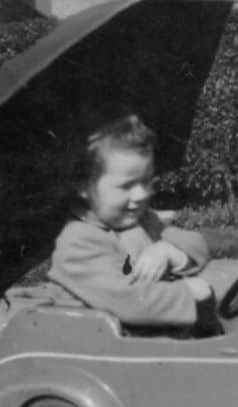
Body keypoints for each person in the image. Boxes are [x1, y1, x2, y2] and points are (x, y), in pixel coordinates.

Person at [48, 106, 216, 332]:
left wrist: (168, 251)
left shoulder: (144, 222)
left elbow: (196, 244)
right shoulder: (78, 243)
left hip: (146, 343)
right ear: (83, 186)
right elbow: (131, 302)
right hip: (105, 352)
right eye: (126, 186)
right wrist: (188, 292)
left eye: (146, 181)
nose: (142, 195)